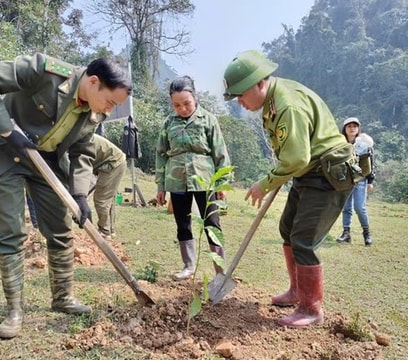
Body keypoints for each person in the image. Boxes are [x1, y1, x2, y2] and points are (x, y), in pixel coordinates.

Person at [0, 53, 132, 339]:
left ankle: (62, 297)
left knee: (61, 229)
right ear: (93, 82)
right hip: (5, 154)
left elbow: (82, 153)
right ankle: (15, 310)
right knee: (13, 231)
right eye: (111, 102)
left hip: (47, 164)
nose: (109, 109)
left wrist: (79, 195)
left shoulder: (93, 112)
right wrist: (7, 131)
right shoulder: (45, 71)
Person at [222, 50, 356, 327]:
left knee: (303, 239)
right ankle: (297, 291)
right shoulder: (271, 102)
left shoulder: (287, 105)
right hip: (307, 173)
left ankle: (311, 309)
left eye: (241, 94)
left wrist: (265, 184)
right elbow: (290, 155)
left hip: (326, 175)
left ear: (260, 83)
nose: (240, 101)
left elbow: (296, 158)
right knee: (287, 230)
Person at [155, 75, 231, 281]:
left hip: (205, 179)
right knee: (183, 223)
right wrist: (160, 186)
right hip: (176, 179)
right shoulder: (168, 123)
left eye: (186, 103)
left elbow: (220, 153)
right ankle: (188, 266)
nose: (182, 109)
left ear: (195, 98)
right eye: (176, 105)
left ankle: (220, 271)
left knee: (212, 223)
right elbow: (161, 154)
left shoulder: (208, 120)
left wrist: (222, 183)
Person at [336, 117, 375, 246]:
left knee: (360, 208)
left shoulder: (364, 144)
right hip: (345, 180)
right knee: (346, 208)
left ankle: (367, 233)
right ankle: (346, 233)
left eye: (354, 126)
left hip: (360, 180)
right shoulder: (340, 143)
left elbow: (370, 163)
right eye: (349, 126)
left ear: (358, 129)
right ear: (345, 129)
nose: (352, 128)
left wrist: (370, 181)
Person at [86, 134, 126, 240]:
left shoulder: (79, 140)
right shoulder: (82, 133)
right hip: (115, 161)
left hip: (112, 163)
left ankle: (104, 231)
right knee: (109, 199)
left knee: (101, 199)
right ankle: (110, 230)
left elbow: (82, 173)